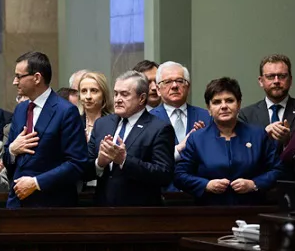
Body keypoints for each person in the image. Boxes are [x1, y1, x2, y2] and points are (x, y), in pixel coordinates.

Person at [175, 78, 282, 205]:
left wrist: (254, 184)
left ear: (239, 104)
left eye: (229, 100)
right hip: (209, 209)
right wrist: (206, 185)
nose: (224, 106)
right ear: (209, 108)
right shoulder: (197, 139)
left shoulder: (258, 135)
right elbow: (180, 175)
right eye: (217, 102)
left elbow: (277, 170)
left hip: (251, 209)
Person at [4, 51, 89, 208]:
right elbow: (8, 158)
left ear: (37, 78)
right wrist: (12, 151)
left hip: (51, 204)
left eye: (19, 76)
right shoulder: (20, 109)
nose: (15, 82)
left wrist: (36, 183)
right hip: (17, 203)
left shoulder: (66, 111)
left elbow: (77, 163)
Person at [83, 71, 175, 206]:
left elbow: (164, 174)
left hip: (140, 211)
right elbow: (84, 170)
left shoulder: (159, 129)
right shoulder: (102, 124)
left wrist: (125, 161)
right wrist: (99, 163)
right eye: (116, 94)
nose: (118, 99)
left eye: (124, 94)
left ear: (142, 98)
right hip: (103, 210)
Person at [239, 54, 295, 147]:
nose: (276, 81)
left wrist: (288, 141)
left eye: (282, 76)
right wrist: (264, 134)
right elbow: (242, 150)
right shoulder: (247, 115)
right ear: (261, 81)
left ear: (290, 80)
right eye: (270, 76)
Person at [149, 62, 212, 170]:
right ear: (158, 90)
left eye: (180, 81)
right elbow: (147, 161)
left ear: (188, 87)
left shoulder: (207, 117)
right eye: (167, 82)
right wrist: (179, 148)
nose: (174, 86)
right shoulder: (148, 120)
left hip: (199, 179)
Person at [78, 71, 113, 142]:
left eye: (94, 91)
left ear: (104, 94)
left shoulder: (113, 123)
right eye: (84, 91)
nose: (88, 96)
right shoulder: (74, 122)